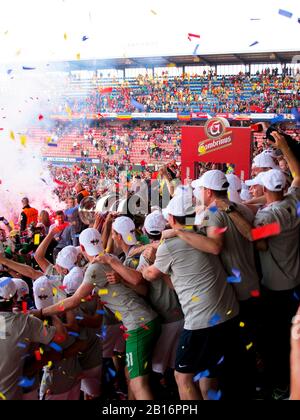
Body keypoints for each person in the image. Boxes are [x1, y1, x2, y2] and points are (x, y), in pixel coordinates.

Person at [39, 228, 161, 400]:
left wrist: (41, 311)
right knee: (130, 375)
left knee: (139, 383)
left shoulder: (95, 268)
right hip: (146, 319)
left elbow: (73, 301)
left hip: (138, 325)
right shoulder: (109, 260)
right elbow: (142, 288)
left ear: (81, 248)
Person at [142, 192, 241, 400]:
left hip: (202, 320)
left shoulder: (168, 246)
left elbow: (150, 275)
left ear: (171, 219)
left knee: (182, 377)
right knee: (208, 372)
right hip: (228, 312)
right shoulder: (202, 233)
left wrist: (147, 261)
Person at [0, 277, 67, 400]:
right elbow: (61, 337)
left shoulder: (26, 320)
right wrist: (49, 312)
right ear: (15, 298)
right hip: (20, 389)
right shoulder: (27, 321)